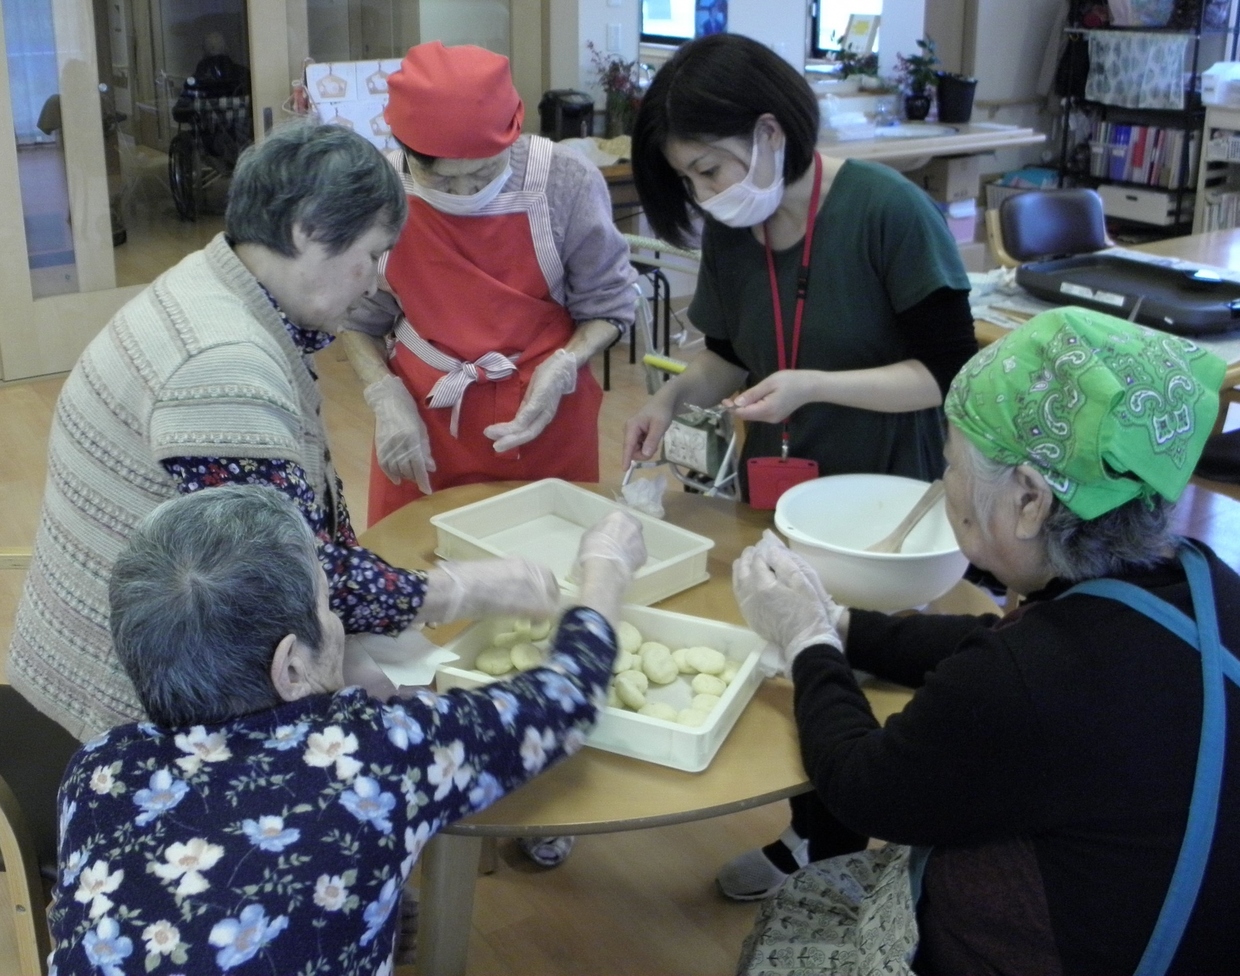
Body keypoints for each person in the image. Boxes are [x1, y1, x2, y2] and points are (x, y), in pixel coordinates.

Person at [9, 122, 561, 744]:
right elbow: (292, 573)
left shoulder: (214, 281)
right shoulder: (221, 366)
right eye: (373, 253)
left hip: (114, 650)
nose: (379, 279)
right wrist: (461, 590)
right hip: (120, 705)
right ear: (305, 230)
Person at [732, 307, 1240, 974]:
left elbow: (862, 785)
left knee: (793, 926)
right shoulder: (1202, 580)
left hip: (1077, 948)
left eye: (951, 466)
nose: (945, 487)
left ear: (1030, 500)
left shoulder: (1029, 681)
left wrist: (807, 641)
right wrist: (847, 626)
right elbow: (1001, 640)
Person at [623, 32, 978, 898]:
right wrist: (672, 396)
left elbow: (945, 375)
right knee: (796, 661)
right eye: (691, 179)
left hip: (887, 507)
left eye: (711, 169)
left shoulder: (888, 212)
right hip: (782, 494)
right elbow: (727, 354)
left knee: (864, 676)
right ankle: (812, 837)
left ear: (772, 134)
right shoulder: (737, 232)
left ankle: (861, 852)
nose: (707, 194)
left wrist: (814, 383)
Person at [49, 485, 646, 976]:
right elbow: (565, 696)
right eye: (328, 606)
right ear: (289, 667)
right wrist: (605, 572)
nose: (336, 623)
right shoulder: (373, 753)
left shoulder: (96, 767)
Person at [340, 40, 637, 525]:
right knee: (416, 567)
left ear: (511, 138)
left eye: (481, 174)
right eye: (441, 180)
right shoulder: (378, 192)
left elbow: (608, 303)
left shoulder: (564, 181)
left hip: (544, 407)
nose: (463, 193)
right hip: (422, 416)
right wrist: (384, 394)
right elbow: (357, 319)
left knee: (549, 563)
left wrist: (566, 365)